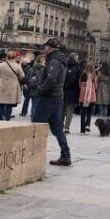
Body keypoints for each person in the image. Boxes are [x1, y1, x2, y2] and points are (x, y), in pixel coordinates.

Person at [31, 38, 72, 166]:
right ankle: (65, 155)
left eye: (46, 47)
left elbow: (51, 79)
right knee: (57, 128)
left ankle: (34, 154)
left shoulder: (54, 60)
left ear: (50, 48)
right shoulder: (61, 60)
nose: (44, 49)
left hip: (49, 97)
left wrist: (40, 90)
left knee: (36, 125)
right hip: (57, 97)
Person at [0, 51, 24, 121]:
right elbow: (22, 76)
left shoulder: (1, 65)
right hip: (12, 86)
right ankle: (7, 118)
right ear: (15, 57)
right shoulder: (17, 66)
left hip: (2, 85)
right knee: (9, 105)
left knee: (1, 104)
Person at [62, 53, 80, 133]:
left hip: (63, 90)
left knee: (62, 110)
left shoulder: (64, 65)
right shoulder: (77, 68)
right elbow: (78, 81)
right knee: (70, 110)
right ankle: (67, 127)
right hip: (73, 91)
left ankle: (60, 125)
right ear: (75, 58)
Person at [21, 53, 44, 119]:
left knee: (30, 101)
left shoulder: (31, 68)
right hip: (38, 88)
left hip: (30, 87)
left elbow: (27, 78)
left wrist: (26, 84)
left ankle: (25, 112)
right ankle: (34, 117)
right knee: (35, 104)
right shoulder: (43, 69)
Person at [79, 63, 97, 134]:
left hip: (83, 96)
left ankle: (82, 129)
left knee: (83, 112)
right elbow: (96, 86)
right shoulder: (94, 76)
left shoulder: (82, 75)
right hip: (91, 96)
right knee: (89, 112)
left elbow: (79, 84)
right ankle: (87, 125)